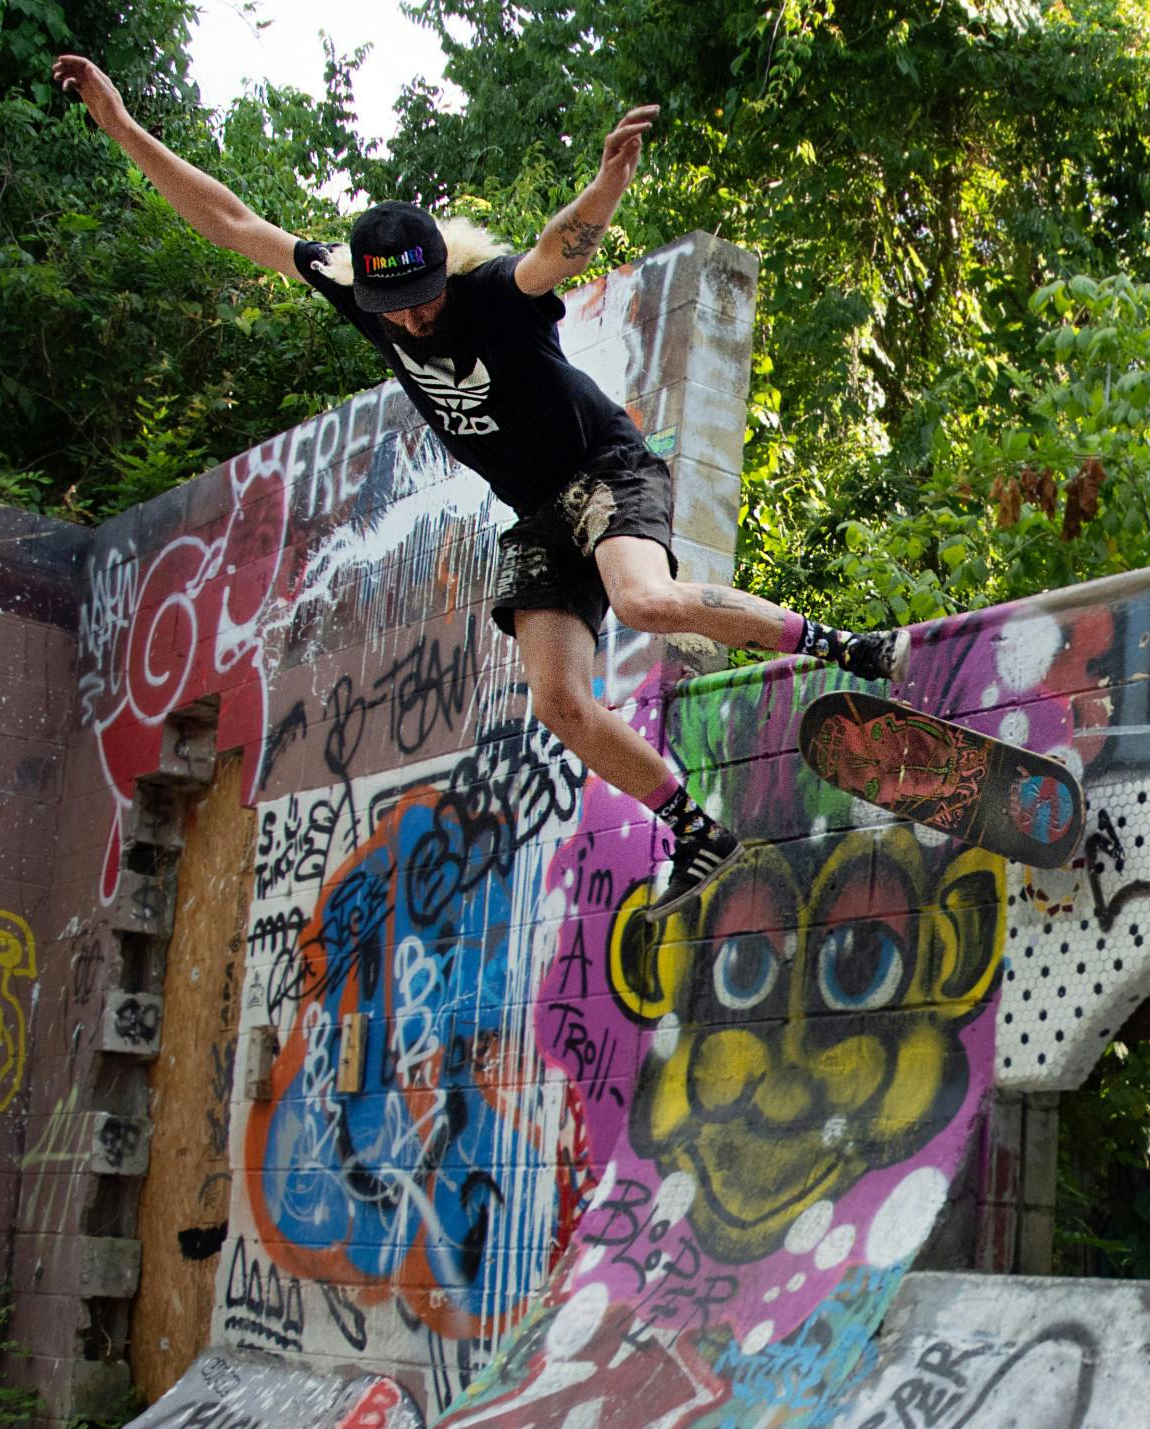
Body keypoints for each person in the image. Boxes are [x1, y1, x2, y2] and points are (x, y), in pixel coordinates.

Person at [52, 56, 908, 914]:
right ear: (370, 291)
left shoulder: (492, 296)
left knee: (644, 601)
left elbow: (553, 249)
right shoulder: (357, 294)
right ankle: (698, 834)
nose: (419, 320)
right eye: (403, 310)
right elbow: (237, 222)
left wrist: (606, 186)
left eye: (428, 300)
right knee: (559, 702)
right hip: (538, 513)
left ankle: (845, 647)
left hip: (605, 468)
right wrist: (123, 127)